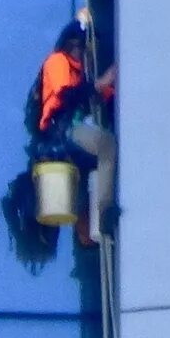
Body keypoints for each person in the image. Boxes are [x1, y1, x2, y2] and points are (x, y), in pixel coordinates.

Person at [29, 13, 117, 245]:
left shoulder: (80, 73)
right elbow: (66, 96)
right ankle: (105, 211)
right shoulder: (58, 62)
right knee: (106, 144)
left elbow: (100, 97)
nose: (84, 52)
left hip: (71, 131)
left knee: (95, 166)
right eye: (81, 47)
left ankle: (88, 230)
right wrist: (100, 84)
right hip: (61, 129)